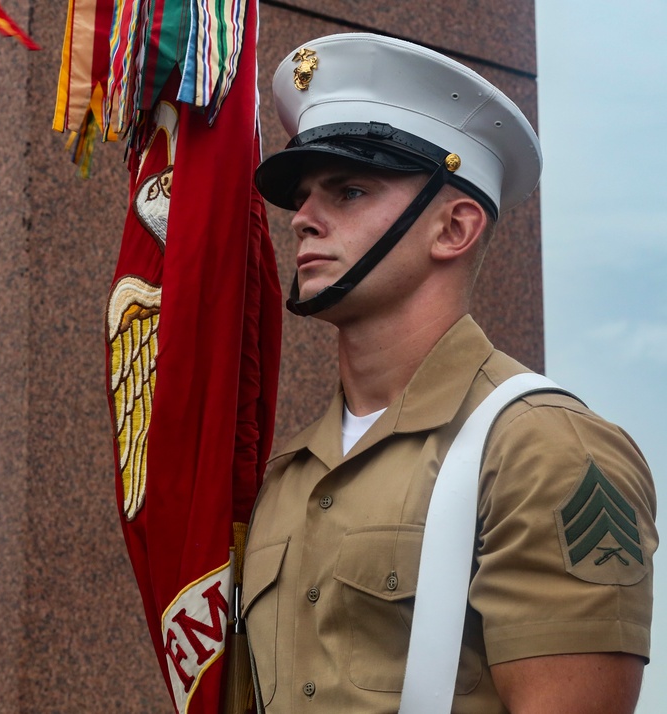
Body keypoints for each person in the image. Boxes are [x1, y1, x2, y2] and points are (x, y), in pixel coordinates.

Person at [242, 32, 657, 713]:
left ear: (454, 228)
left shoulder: (545, 449)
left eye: (348, 191)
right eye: (304, 196)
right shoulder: (291, 473)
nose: (304, 220)